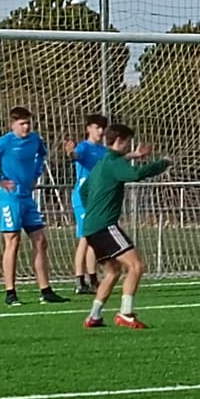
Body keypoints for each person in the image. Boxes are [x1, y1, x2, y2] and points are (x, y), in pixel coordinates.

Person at [78, 124, 170, 329]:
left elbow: (83, 191)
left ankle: (94, 316)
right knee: (136, 266)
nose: (129, 145)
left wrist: (93, 210)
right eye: (127, 142)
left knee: (112, 272)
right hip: (105, 226)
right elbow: (136, 175)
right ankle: (126, 313)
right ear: (119, 141)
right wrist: (162, 163)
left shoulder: (102, 164)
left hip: (91, 228)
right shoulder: (112, 164)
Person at [0, 106, 67, 306]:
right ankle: (10, 292)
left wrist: (35, 174)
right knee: (13, 242)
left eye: (28, 123)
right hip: (11, 198)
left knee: (41, 241)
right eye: (22, 124)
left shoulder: (35, 140)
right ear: (12, 125)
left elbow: (42, 155)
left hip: (27, 198)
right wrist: (0, 179)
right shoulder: (5, 142)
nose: (26, 127)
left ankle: (46, 290)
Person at [65, 113, 109, 295]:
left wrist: (135, 155)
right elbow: (75, 155)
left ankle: (92, 278)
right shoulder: (84, 147)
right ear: (88, 128)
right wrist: (70, 152)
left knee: (94, 238)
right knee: (84, 237)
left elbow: (116, 157)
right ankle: (79, 280)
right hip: (82, 199)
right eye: (96, 127)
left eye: (102, 128)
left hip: (96, 200)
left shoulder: (103, 150)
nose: (100, 131)